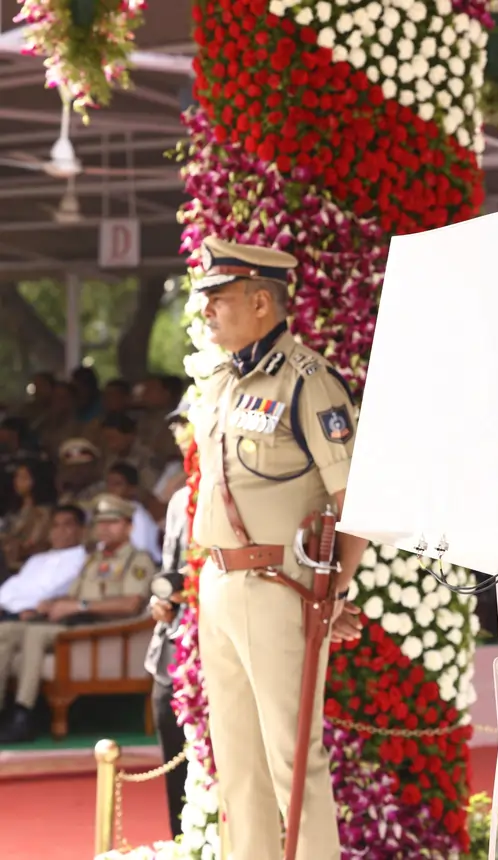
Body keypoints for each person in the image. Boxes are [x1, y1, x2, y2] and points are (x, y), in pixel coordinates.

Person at [188, 236, 367, 860]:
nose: (207, 309)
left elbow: (356, 501)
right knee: (238, 765)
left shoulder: (307, 382)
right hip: (219, 583)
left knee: (294, 761)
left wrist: (334, 589)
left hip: (279, 589)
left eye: (220, 297)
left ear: (261, 302)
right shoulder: (222, 382)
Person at [0, 494, 153, 742]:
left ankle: (23, 714)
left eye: (113, 522)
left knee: (34, 634)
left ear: (129, 527)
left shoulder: (138, 561)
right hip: (75, 624)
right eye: (101, 523)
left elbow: (131, 604)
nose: (104, 528)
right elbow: (72, 595)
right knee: (6, 629)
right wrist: (51, 605)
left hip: (105, 629)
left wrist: (79, 606)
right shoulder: (93, 560)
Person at [144, 477, 194, 838]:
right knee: (174, 753)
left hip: (225, 642)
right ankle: (183, 842)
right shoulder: (179, 500)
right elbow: (169, 567)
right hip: (172, 650)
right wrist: (160, 601)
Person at [0, 504, 88, 620]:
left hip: (37, 615)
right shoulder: (36, 560)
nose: (60, 531)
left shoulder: (84, 560)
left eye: (67, 525)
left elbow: (56, 590)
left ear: (82, 530)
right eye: (55, 526)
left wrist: (25, 608)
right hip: (8, 611)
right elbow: (14, 585)